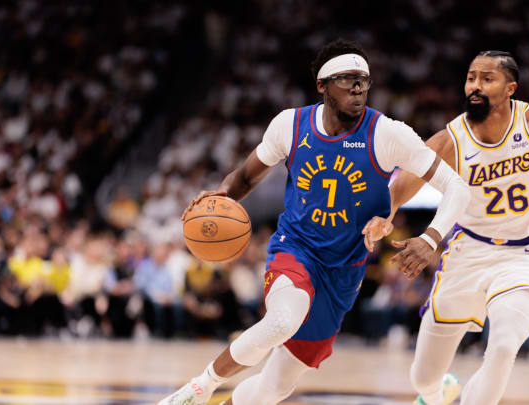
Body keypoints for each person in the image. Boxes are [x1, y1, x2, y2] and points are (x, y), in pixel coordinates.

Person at [158, 38, 471, 405]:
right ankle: (200, 387)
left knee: (275, 388)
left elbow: (456, 188)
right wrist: (220, 197)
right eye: (346, 79)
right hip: (296, 249)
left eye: (363, 80)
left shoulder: (388, 134)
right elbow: (244, 177)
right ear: (322, 85)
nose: (357, 87)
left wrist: (431, 237)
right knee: (281, 322)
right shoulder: (290, 125)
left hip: (343, 272)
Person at [363, 7, 529, 405]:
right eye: (470, 77)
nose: (475, 85)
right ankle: (436, 395)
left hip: (524, 256)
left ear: (510, 87)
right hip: (467, 251)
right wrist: (386, 214)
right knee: (423, 376)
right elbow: (404, 181)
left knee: (501, 350)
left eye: (486, 78)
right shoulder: (452, 139)